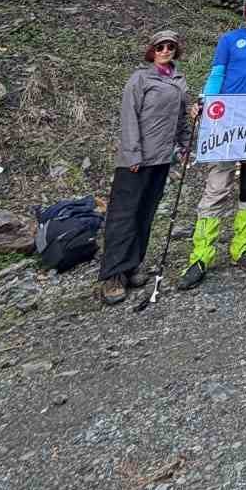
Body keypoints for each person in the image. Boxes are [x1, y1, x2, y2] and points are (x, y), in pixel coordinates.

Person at [177, 0, 246, 289]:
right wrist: (206, 101)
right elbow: (217, 74)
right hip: (229, 120)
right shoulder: (229, 39)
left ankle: (243, 247)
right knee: (217, 185)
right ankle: (201, 255)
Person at [100, 30, 192, 305]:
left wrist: (185, 145)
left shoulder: (178, 80)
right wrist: (132, 155)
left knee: (146, 213)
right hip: (136, 160)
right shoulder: (139, 78)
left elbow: (182, 119)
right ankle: (112, 275)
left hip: (163, 158)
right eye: (161, 46)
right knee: (123, 216)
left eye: (171, 47)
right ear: (152, 50)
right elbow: (129, 118)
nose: (166, 50)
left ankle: (132, 266)